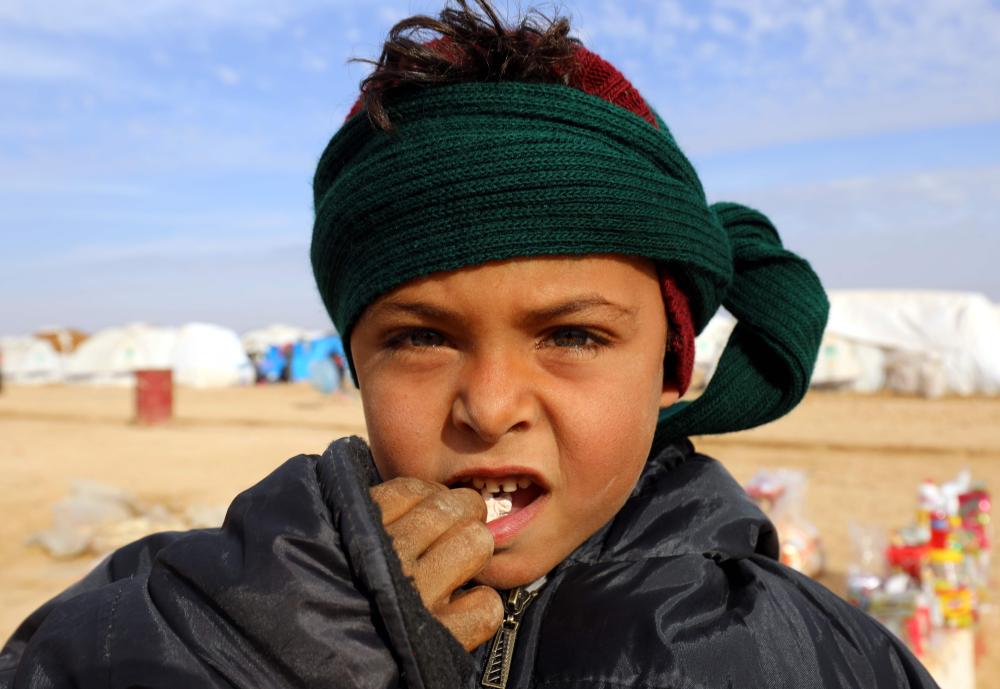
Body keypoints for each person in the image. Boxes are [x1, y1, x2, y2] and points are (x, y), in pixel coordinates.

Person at [0, 2, 938, 687]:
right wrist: (236, 656)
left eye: (571, 334)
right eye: (418, 337)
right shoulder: (186, 615)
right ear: (355, 358)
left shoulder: (808, 656)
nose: (490, 406)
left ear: (668, 366)